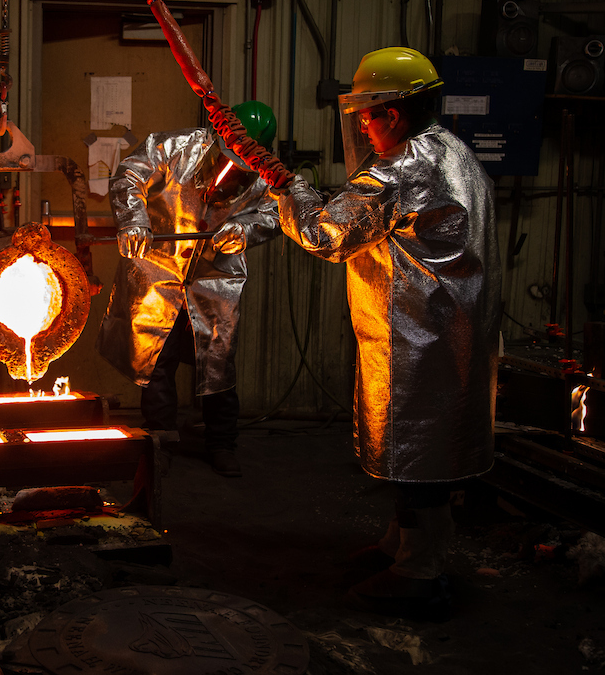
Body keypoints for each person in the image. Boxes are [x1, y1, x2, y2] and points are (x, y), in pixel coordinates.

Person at [271, 47, 501, 620]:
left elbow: (327, 235)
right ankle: (400, 545)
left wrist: (285, 187)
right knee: (422, 449)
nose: (365, 127)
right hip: (455, 330)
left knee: (419, 452)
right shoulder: (449, 149)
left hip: (419, 338)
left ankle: (419, 572)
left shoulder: (400, 172)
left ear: (392, 115)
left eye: (368, 115)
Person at [96, 101, 281, 478]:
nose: (230, 169)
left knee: (217, 361)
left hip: (215, 278)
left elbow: (275, 212)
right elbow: (129, 174)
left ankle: (221, 443)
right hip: (157, 268)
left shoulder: (265, 175)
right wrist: (134, 219)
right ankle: (161, 438)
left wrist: (245, 230)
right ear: (217, 139)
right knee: (156, 358)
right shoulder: (174, 147)